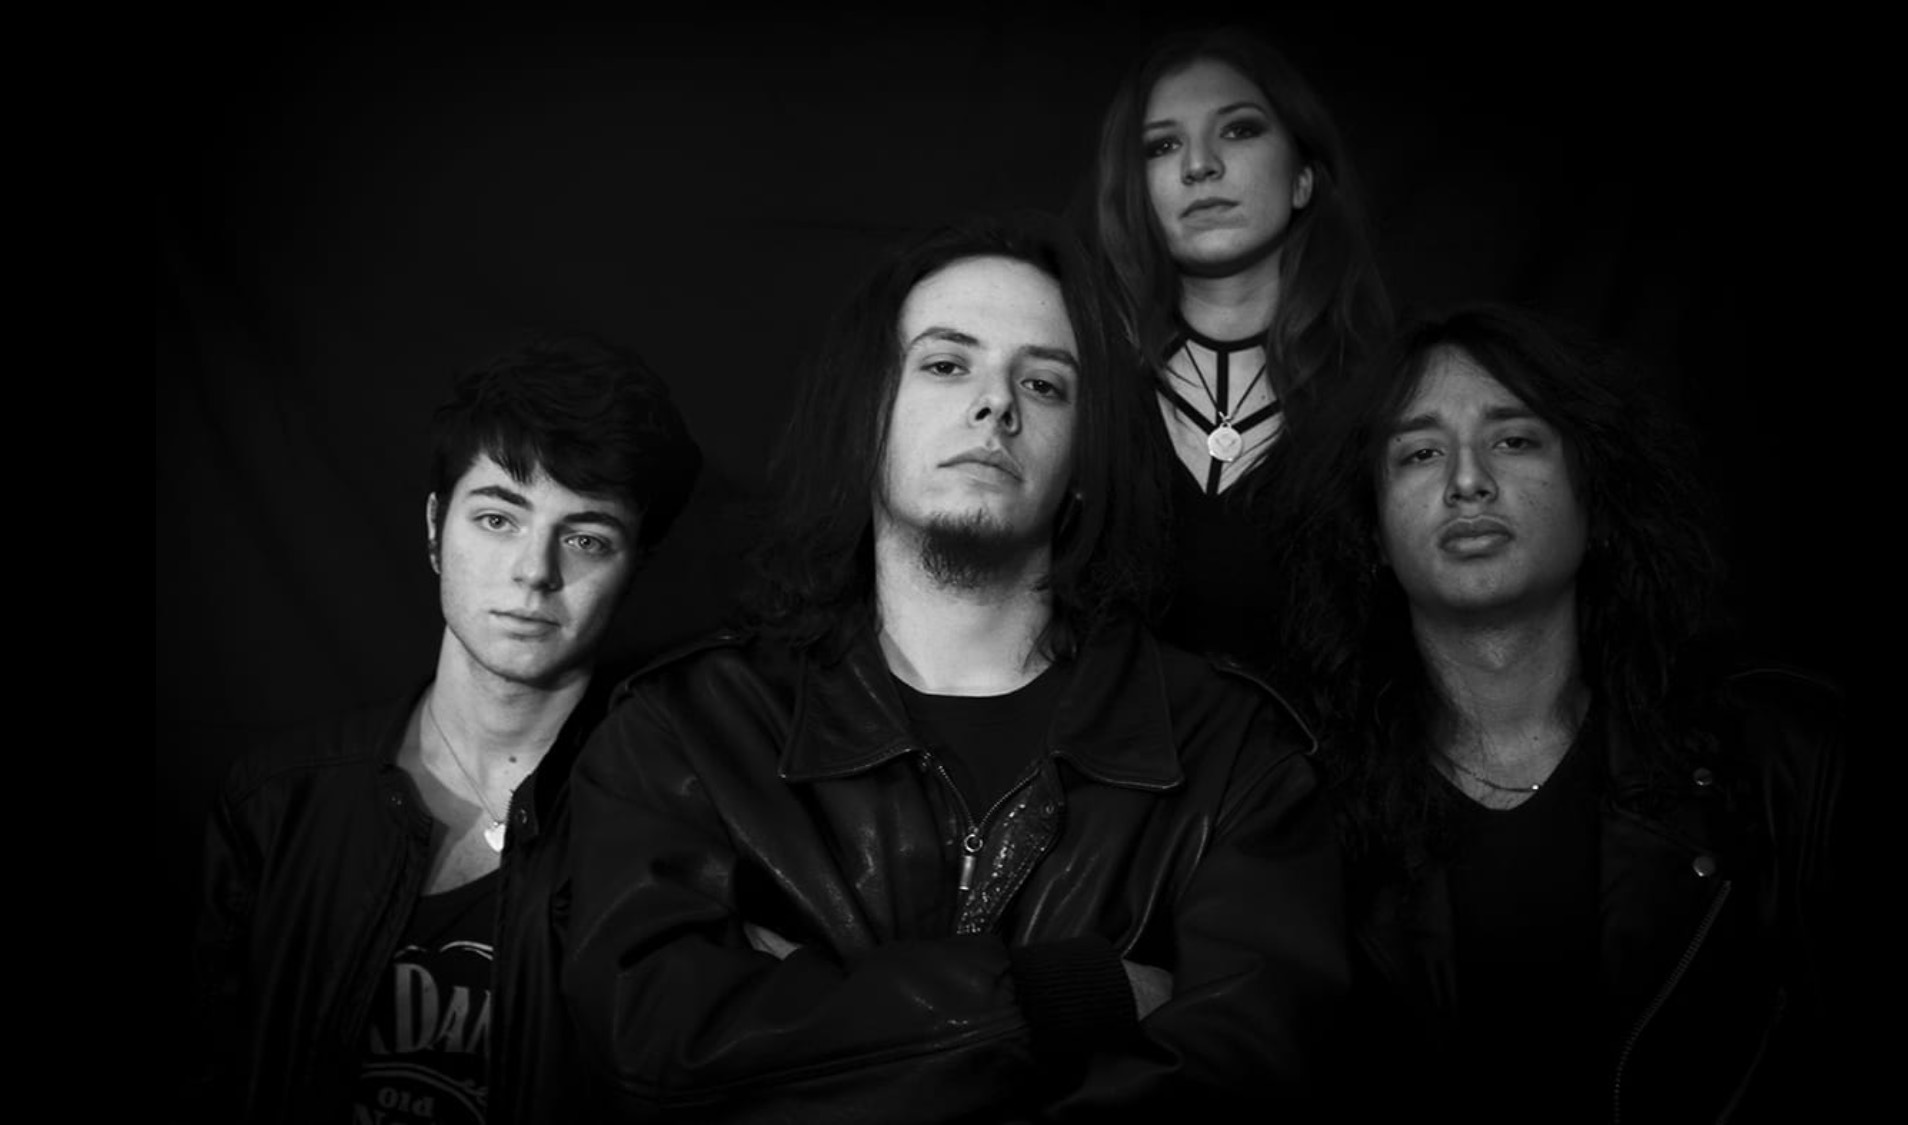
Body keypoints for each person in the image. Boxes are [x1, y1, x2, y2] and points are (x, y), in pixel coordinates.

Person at [560, 214, 1343, 1123]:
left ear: (1082, 459)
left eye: (1043, 383)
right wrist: (1072, 993)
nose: (996, 403)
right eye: (945, 364)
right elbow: (652, 1055)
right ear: (866, 416)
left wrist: (815, 1018)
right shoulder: (689, 733)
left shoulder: (1231, 756)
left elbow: (1248, 1084)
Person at [1282, 303, 1844, 1122]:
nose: (1467, 481)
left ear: (1595, 495)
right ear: (1370, 530)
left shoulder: (1778, 762)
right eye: (1419, 452)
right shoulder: (1290, 801)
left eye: (1513, 440)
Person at [191, 334, 702, 1125]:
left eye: (586, 538)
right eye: (497, 518)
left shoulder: (675, 828)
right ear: (436, 527)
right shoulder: (279, 801)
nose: (534, 571)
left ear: (633, 567)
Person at [1087, 25, 1393, 666]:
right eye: (1162, 145)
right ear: (1134, 193)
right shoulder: (1082, 387)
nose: (1200, 165)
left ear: (1304, 178)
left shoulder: (1390, 391)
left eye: (1239, 129)